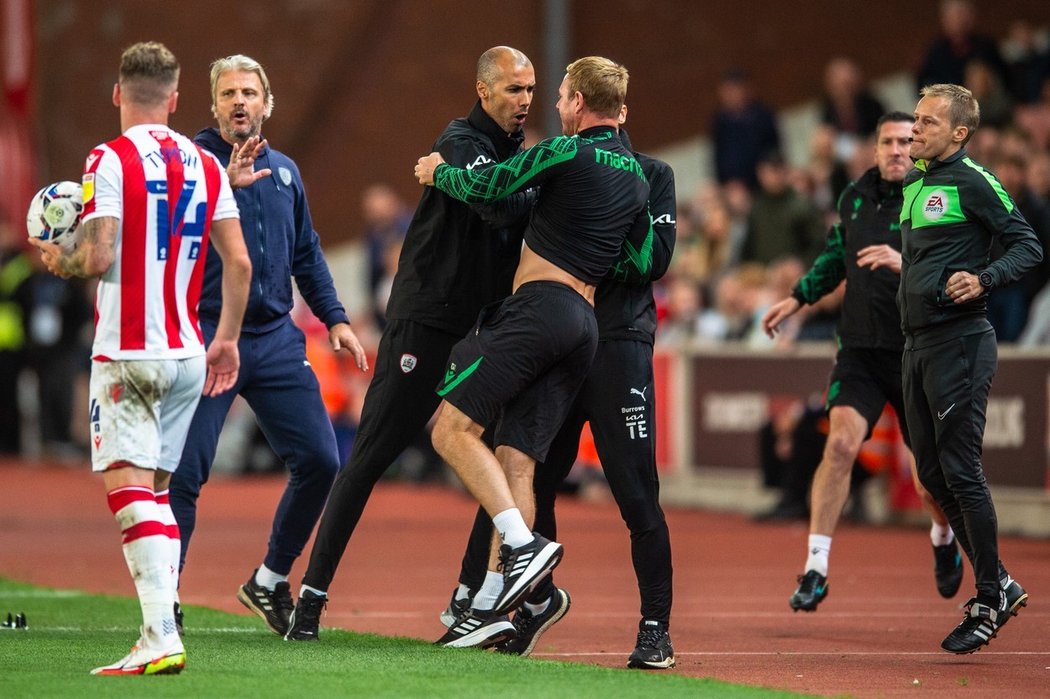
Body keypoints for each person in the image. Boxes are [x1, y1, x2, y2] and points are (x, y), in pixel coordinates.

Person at [282, 46, 537, 641]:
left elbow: (514, 205)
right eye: (513, 90)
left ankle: (472, 598)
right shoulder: (457, 140)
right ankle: (311, 599)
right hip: (426, 322)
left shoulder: (517, 155)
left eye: (530, 90)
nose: (524, 100)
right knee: (372, 454)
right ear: (483, 90)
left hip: (482, 327)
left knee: (496, 458)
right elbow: (497, 206)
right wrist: (521, 194)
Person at [28, 41, 251, 675]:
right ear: (178, 99)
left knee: (128, 489)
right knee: (157, 491)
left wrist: (56, 256)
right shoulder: (207, 163)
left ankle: (160, 636)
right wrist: (226, 338)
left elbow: (96, 257)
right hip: (187, 351)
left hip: (129, 351)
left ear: (119, 93)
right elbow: (238, 261)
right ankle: (161, 625)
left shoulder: (109, 157)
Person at [412, 55, 648, 649]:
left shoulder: (565, 151)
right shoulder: (639, 177)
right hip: (585, 326)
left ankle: (522, 547)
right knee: (517, 458)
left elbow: (488, 185)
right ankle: (492, 606)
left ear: (577, 101)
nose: (555, 103)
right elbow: (642, 260)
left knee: (450, 429)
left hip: (539, 309)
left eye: (561, 93)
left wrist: (438, 171)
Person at [443, 109, 677, 667]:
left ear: (617, 110)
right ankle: (512, 604)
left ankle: (655, 629)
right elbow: (501, 206)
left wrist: (585, 245)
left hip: (620, 344)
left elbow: (657, 259)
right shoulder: (563, 166)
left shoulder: (651, 174)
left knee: (635, 491)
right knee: (520, 467)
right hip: (562, 339)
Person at [167, 54, 368, 637]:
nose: (239, 102)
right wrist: (213, 186)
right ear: (213, 105)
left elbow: (305, 250)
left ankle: (270, 578)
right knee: (186, 473)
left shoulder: (284, 172)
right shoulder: (193, 165)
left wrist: (335, 318)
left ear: (266, 102)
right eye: (228, 93)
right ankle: (165, 600)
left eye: (249, 93)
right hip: (207, 334)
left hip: (277, 336)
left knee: (321, 460)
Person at [761, 112, 965, 612]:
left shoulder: (935, 196)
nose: (897, 149)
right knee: (840, 446)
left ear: (918, 146)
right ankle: (815, 568)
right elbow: (837, 256)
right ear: (873, 150)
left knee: (927, 482)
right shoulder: (854, 197)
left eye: (906, 140)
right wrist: (797, 298)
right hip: (859, 351)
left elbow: (959, 269)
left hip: (915, 353)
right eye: (888, 142)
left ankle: (943, 537)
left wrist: (904, 262)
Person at [899, 83, 1039, 653]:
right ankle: (1000, 582)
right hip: (915, 345)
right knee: (931, 474)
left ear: (959, 133)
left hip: (959, 341)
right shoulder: (915, 183)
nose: (916, 129)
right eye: (915, 119)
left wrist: (983, 278)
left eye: (928, 123)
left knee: (960, 468)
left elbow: (1027, 246)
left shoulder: (974, 181)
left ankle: (988, 595)